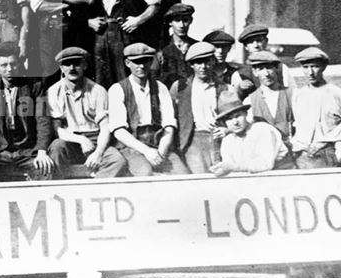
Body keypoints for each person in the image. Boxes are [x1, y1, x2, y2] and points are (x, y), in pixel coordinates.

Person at [0, 43, 54, 182]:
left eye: (13, 64)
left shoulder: (35, 86)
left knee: (45, 170)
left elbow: (42, 120)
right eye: (4, 65)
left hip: (27, 151)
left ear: (21, 64)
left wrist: (42, 152)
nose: (9, 69)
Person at [106, 43, 189, 176]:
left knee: (183, 175)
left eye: (145, 61)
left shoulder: (160, 87)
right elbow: (119, 131)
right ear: (127, 63)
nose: (141, 66)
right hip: (131, 146)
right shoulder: (118, 89)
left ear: (151, 61)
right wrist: (147, 151)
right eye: (136, 62)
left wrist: (161, 152)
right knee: (145, 174)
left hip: (158, 143)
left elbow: (169, 124)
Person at [47, 47, 127, 179]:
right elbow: (57, 129)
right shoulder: (53, 91)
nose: (72, 68)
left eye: (77, 63)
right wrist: (81, 139)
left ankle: (95, 191)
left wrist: (98, 152)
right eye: (67, 64)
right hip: (69, 139)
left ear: (84, 65)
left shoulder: (98, 90)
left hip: (95, 139)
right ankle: (59, 194)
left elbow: (105, 127)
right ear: (61, 68)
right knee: (56, 148)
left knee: (117, 161)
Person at [291, 46, 341, 169]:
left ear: (323, 67)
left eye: (314, 66)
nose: (310, 72)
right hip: (299, 156)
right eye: (305, 67)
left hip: (324, 156)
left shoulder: (335, 93)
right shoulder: (299, 95)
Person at [169, 42, 227, 174]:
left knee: (219, 175)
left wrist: (226, 129)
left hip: (217, 139)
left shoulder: (224, 88)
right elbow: (170, 116)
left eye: (207, 62)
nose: (203, 67)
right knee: (200, 175)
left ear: (213, 62)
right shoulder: (180, 87)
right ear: (191, 65)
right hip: (191, 139)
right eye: (198, 63)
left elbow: (232, 115)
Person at [210, 94, 292, 176]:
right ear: (224, 122)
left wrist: (233, 167)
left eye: (238, 116)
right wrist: (221, 170)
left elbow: (265, 164)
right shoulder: (228, 141)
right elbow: (230, 167)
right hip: (252, 181)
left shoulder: (262, 129)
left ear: (246, 114)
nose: (235, 122)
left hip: (280, 177)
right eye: (229, 119)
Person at [242, 50, 296, 155]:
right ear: (255, 72)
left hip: (292, 153)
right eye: (261, 69)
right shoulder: (250, 101)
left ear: (276, 69)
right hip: (265, 155)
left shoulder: (293, 94)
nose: (266, 74)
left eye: (269, 68)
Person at [231, 24, 298, 94]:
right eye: (251, 42)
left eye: (259, 41)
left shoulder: (281, 68)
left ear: (266, 42)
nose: (256, 45)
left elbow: (293, 93)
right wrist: (240, 89)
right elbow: (234, 99)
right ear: (246, 46)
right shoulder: (240, 73)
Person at [158, 3, 198, 88]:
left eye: (185, 20)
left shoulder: (197, 47)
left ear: (191, 21)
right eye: (177, 20)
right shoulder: (161, 48)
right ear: (170, 22)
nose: (181, 25)